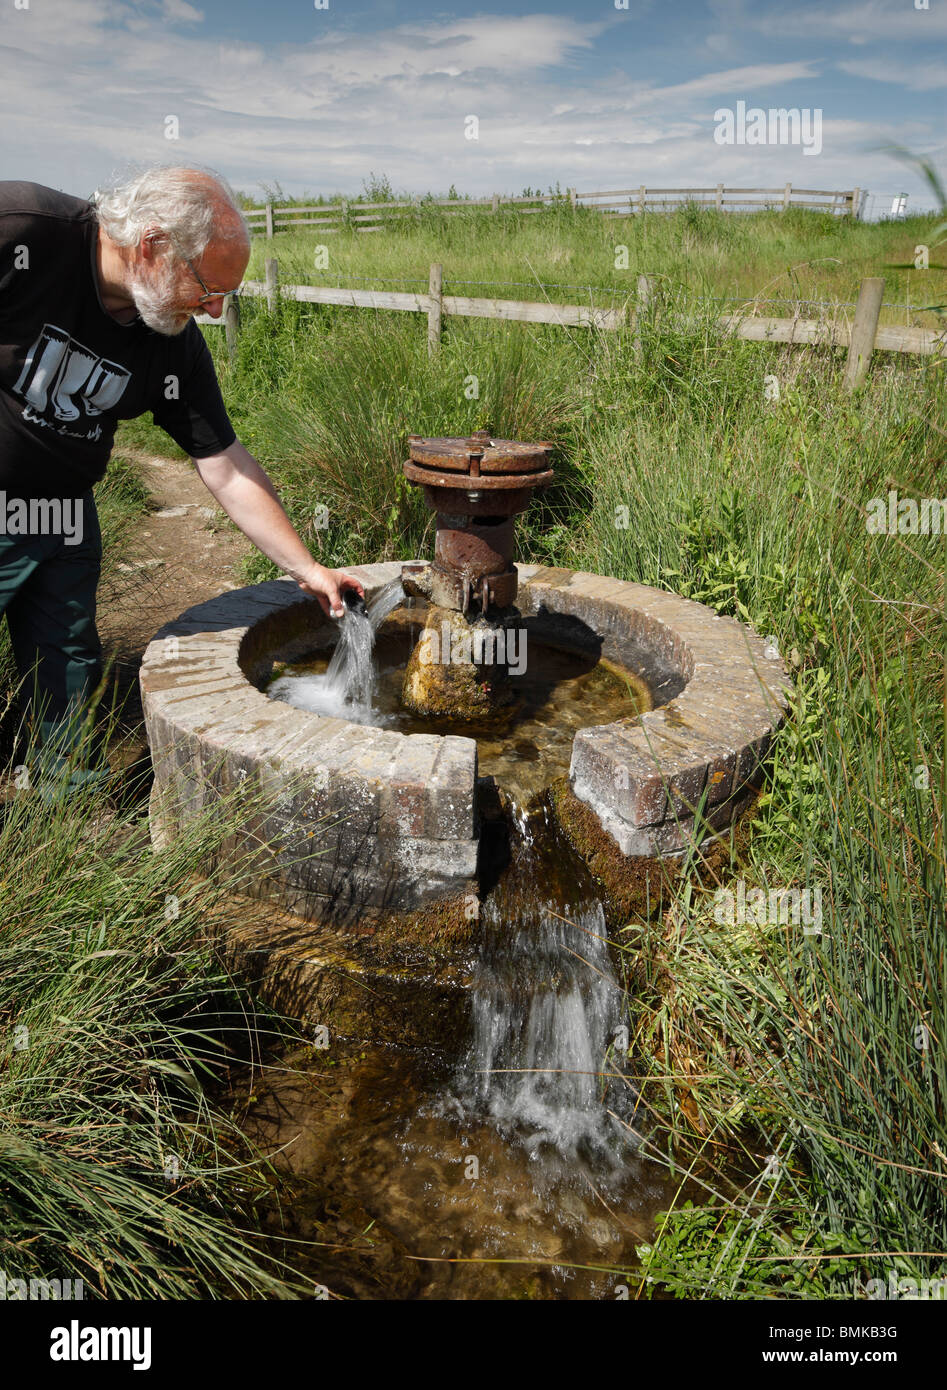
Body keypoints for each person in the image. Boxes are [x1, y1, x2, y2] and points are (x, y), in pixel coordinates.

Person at [0, 165, 363, 795]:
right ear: (152, 244)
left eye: (226, 295)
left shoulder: (171, 344)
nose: (216, 310)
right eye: (208, 287)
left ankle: (63, 803)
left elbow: (224, 463)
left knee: (67, 661)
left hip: (63, 513)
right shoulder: (24, 230)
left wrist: (309, 570)